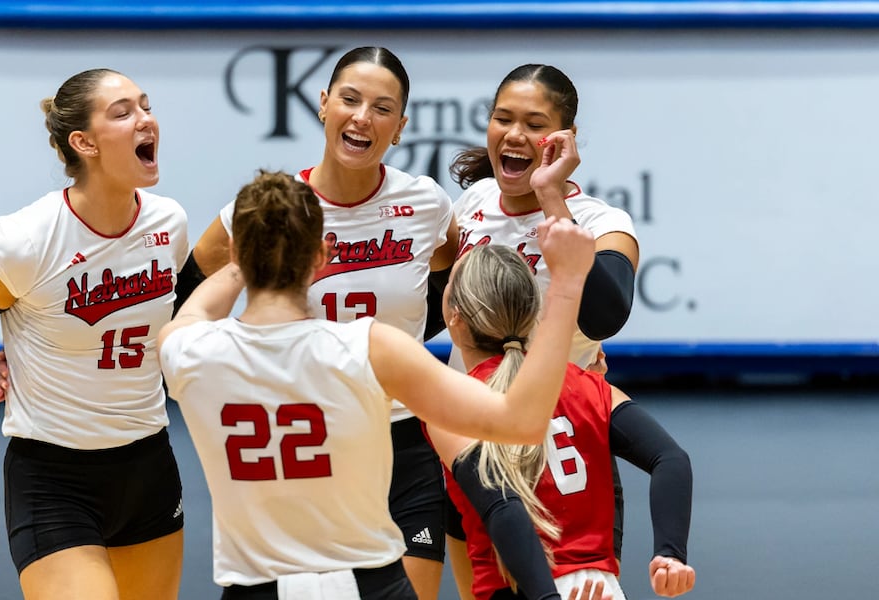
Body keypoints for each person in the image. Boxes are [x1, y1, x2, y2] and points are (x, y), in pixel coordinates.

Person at [158, 168, 596, 599]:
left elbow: (196, 310)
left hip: (255, 588)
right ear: (322, 255)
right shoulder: (370, 347)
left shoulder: (189, 351)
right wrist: (568, 284)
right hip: (369, 584)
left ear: (235, 250)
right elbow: (521, 421)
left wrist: (245, 261)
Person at [186, 46, 460, 599]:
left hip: (404, 442)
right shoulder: (278, 208)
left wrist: (403, 344)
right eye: (350, 100)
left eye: (383, 109)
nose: (363, 118)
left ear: (400, 127)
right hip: (309, 440)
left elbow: (451, 284)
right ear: (322, 104)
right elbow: (189, 289)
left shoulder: (426, 203)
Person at [0, 68, 188, 600]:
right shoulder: (23, 240)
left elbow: (180, 317)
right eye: (123, 112)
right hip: (53, 478)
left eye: (146, 105)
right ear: (83, 143)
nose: (146, 119)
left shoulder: (169, 224)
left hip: (149, 466)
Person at [443, 64, 642, 592]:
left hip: (561, 444)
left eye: (535, 124)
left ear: (565, 139)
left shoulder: (602, 222)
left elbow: (607, 316)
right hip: (472, 433)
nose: (514, 134)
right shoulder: (473, 204)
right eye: (502, 118)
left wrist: (551, 195)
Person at [425, 243, 694, 600]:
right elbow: (671, 459)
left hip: (522, 589)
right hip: (599, 588)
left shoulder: (453, 405)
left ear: (454, 317)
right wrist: (670, 554)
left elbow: (502, 506)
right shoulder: (587, 384)